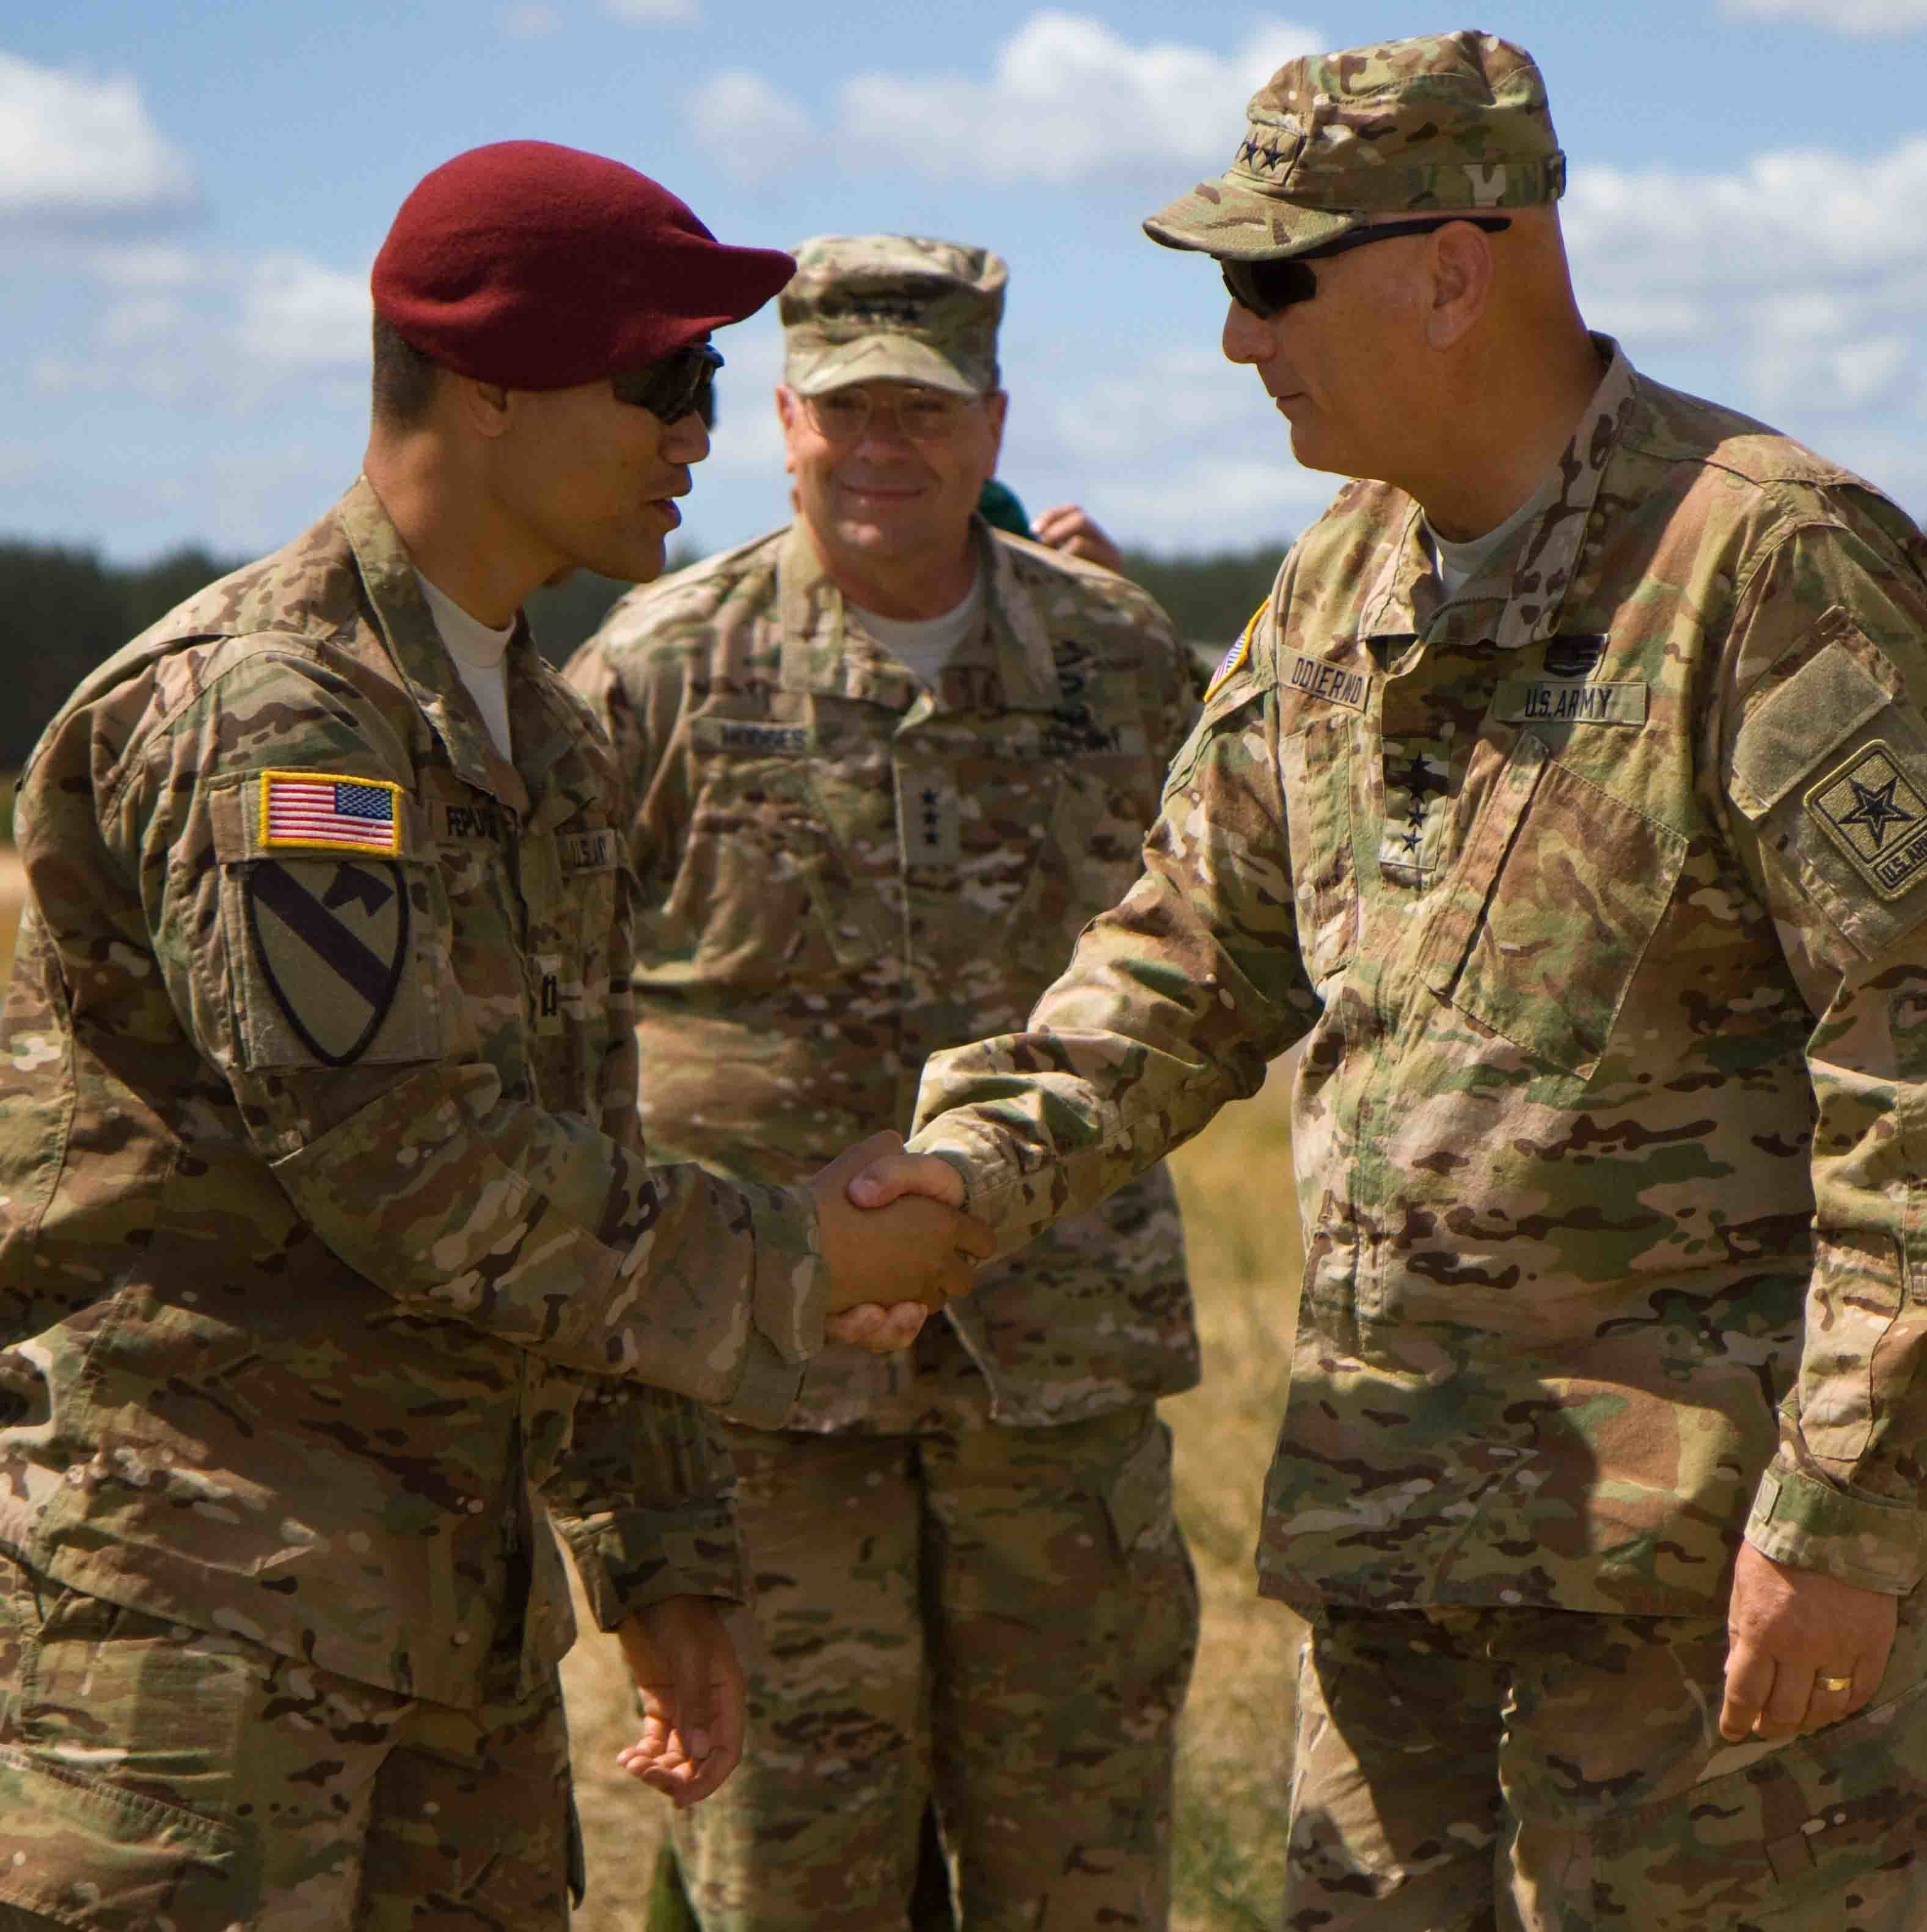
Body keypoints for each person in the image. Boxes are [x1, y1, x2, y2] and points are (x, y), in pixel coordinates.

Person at [882, 31, 1927, 1930]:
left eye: (1270, 282)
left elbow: (1911, 1071)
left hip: (1704, 1601)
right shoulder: (1333, 586)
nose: (1234, 342)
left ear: (1457, 267)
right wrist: (965, 1175)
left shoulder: (1766, 564)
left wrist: (1846, 1514)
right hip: (1396, 1558)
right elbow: (1189, 956)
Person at [0, 143, 986, 1932]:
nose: (701, 431)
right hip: (196, 1632)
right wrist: (801, 1255)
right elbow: (413, 1166)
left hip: (453, 1626)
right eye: (665, 378)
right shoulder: (275, 720)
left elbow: (579, 1150)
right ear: (489, 380)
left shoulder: (539, 727)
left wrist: (661, 1547)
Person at [566, 233, 1201, 1931]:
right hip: (766, 1401)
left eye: (922, 411)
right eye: (845, 409)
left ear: (992, 424)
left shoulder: (1121, 666)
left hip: (1052, 1385)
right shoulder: (653, 669)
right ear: (781, 418)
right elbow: (548, 1018)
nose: (882, 449)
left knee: (1082, 1872)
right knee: (792, 1874)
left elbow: (1241, 950)